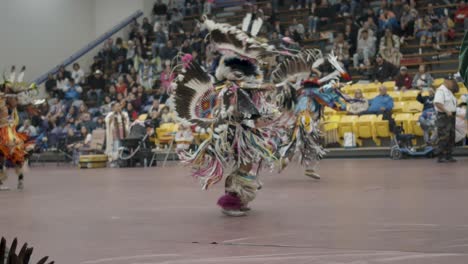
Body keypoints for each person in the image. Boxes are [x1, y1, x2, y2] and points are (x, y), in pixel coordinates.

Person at [433, 77, 459, 163]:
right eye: (451, 82)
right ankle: (440, 156)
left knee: (451, 136)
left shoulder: (449, 91)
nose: (452, 83)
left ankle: (448, 155)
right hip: (444, 116)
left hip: (451, 116)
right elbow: (437, 103)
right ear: (446, 81)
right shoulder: (441, 90)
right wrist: (447, 111)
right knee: (444, 136)